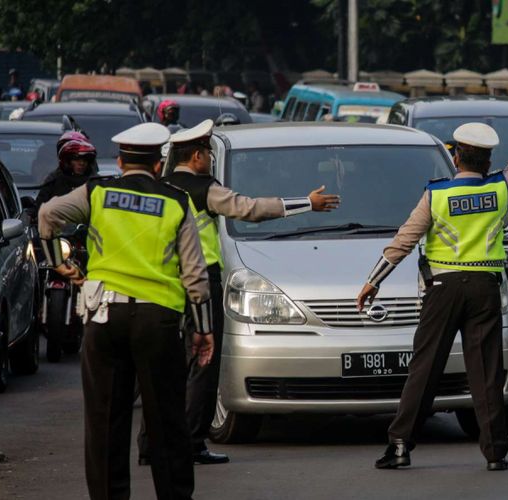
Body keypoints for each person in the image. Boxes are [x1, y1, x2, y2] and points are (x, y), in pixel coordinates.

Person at [358, 112, 508, 471]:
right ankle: (495, 453)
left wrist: (374, 280)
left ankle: (400, 446)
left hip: (443, 289)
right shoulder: (500, 188)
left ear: (456, 156)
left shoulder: (437, 194)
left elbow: (404, 240)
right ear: (488, 160)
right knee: (485, 372)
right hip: (486, 287)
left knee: (425, 368)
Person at [135, 119, 340, 465]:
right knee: (203, 364)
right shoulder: (204, 188)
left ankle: (149, 446)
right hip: (201, 283)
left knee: (163, 368)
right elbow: (249, 209)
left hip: (163, 284)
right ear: (198, 156)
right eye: (208, 155)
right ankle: (193, 442)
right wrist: (306, 203)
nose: (210, 162)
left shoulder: (162, 187)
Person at [38, 122, 213, 499]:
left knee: (105, 421)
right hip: (158, 321)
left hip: (104, 317)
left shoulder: (97, 192)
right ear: (157, 165)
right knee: (166, 421)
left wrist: (58, 264)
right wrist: (203, 329)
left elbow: (48, 215)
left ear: (119, 161)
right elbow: (195, 274)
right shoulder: (175, 200)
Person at [34, 135, 98, 217]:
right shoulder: (54, 180)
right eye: (76, 159)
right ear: (67, 161)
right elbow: (40, 209)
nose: (81, 163)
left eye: (85, 160)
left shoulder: (95, 182)